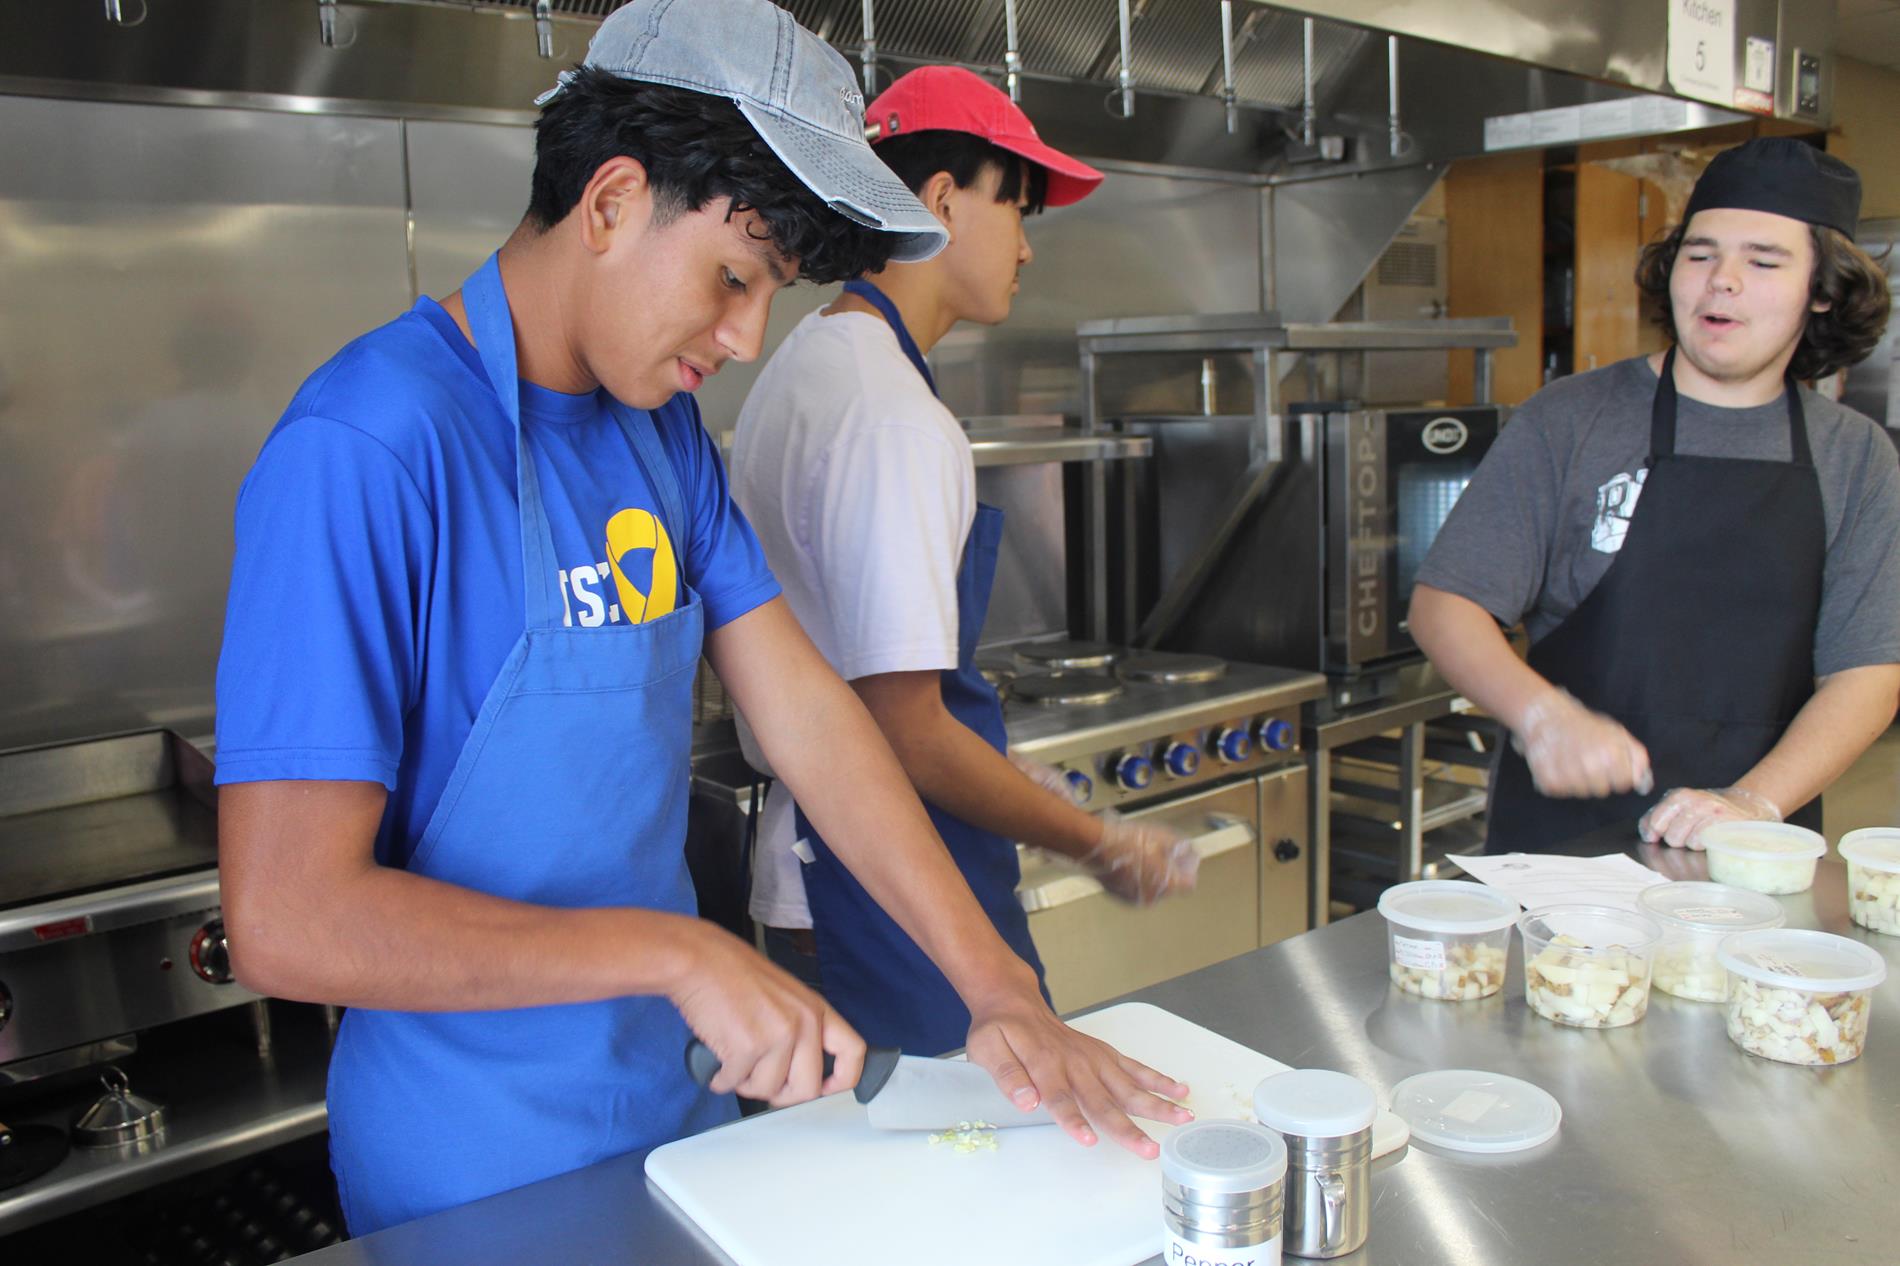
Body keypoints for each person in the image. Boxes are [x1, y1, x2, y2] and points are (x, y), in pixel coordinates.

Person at [213, 3, 1188, 1236]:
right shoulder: (368, 446)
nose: (742, 338)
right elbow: (289, 919)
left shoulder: (660, 438)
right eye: (734, 277)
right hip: (470, 1169)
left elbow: (814, 722)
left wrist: (996, 988)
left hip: (678, 1118)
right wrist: (681, 955)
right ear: (612, 202)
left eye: (770, 290)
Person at [729, 66, 1198, 1057]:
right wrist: (1099, 841)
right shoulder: (895, 417)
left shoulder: (812, 360)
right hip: (873, 891)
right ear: (940, 201)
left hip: (828, 871)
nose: (1027, 246)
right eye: (1016, 209)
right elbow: (905, 733)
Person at [1410, 137, 1898, 854]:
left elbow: (1867, 674)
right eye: (1700, 255)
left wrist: (1753, 803)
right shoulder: (1572, 418)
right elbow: (1444, 605)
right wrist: (1542, 715)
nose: (1720, 281)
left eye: (1762, 261)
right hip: (1563, 850)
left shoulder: (1856, 457)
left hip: (1752, 855)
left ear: (1822, 291)